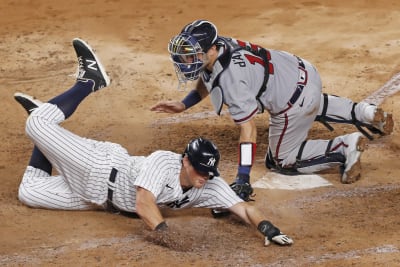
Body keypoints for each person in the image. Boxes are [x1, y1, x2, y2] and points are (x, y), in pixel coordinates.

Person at [14, 38, 293, 246]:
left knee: (29, 191)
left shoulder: (207, 182)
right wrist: (168, 237)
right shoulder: (163, 162)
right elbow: (144, 204)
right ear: (185, 161)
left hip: (97, 199)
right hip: (99, 167)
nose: (204, 178)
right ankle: (90, 81)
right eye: (200, 170)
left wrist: (266, 227)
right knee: (35, 124)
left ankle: (49, 125)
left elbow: (243, 208)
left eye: (209, 173)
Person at [151, 19, 394, 201]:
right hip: (301, 71)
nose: (186, 62)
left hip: (292, 100)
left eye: (192, 56)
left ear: (211, 50)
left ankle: (344, 146)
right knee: (306, 101)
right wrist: (185, 103)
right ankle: (365, 112)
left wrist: (243, 177)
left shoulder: (232, 81)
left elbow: (248, 131)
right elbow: (208, 75)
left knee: (281, 160)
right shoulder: (220, 44)